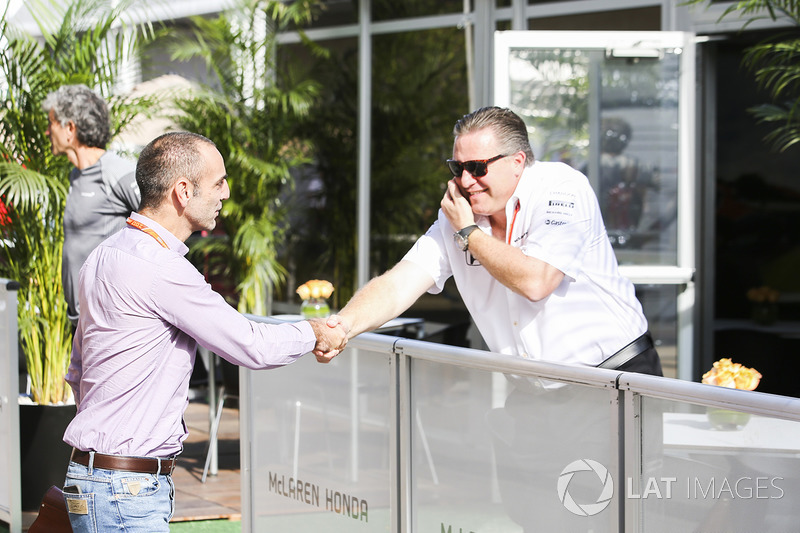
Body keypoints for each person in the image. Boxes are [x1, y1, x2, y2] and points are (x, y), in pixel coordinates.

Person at [326, 106, 662, 531]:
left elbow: (536, 280)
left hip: (612, 384)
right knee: (535, 518)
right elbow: (399, 283)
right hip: (535, 393)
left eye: (478, 167)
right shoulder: (460, 214)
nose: (465, 181)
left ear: (518, 161)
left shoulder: (561, 188)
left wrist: (470, 233)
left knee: (612, 522)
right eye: (457, 167)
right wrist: (342, 326)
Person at [61, 131, 348, 533]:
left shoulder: (102, 256)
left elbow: (76, 371)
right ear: (182, 190)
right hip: (124, 490)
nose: (226, 193)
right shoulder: (162, 269)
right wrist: (315, 331)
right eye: (218, 182)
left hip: (94, 478)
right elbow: (250, 345)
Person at [43, 84, 141, 326]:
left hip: (110, 320)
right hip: (81, 321)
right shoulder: (76, 175)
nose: (47, 132)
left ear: (70, 128)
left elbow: (163, 224)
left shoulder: (116, 171)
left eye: (51, 124)